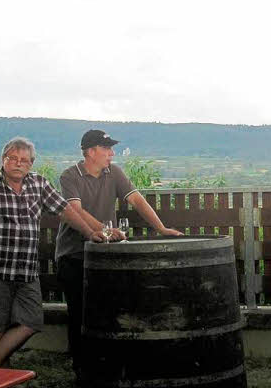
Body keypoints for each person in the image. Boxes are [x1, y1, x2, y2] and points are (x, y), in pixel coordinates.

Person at [0, 136, 104, 373]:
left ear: (31, 164)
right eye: (13, 159)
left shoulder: (38, 184)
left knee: (32, 321)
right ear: (3, 160)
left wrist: (90, 232)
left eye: (24, 161)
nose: (18, 164)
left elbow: (65, 210)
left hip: (26, 269)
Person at [54, 129, 183, 370]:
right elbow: (75, 211)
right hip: (74, 254)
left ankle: (105, 362)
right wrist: (105, 230)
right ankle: (81, 365)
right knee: (80, 311)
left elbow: (137, 200)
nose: (112, 154)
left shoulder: (114, 172)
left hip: (105, 256)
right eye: (107, 149)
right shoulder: (69, 176)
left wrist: (162, 228)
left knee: (108, 308)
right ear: (91, 152)